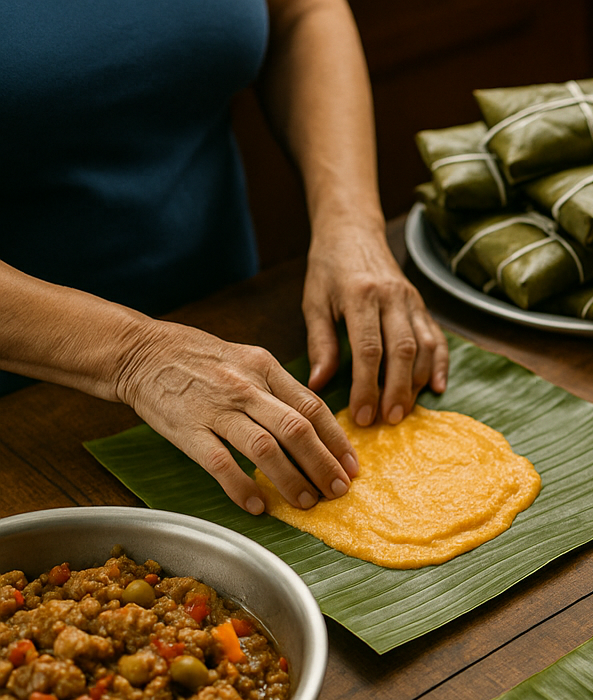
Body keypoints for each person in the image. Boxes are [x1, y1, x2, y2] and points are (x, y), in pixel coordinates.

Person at [0, 0, 447, 516]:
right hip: (29, 419)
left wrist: (351, 224)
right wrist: (134, 354)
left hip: (239, 334)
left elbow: (302, 14)